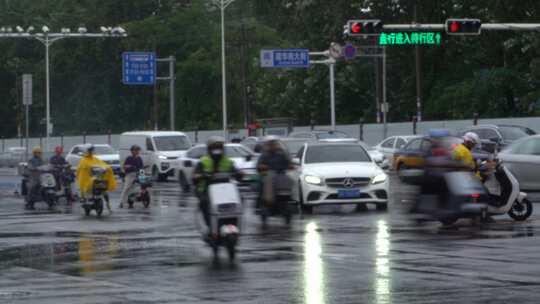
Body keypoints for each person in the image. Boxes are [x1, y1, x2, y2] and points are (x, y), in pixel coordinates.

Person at [192, 137, 241, 233]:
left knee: (239, 200)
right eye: (215, 147)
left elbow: (237, 172)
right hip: (207, 190)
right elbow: (195, 176)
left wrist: (240, 174)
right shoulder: (203, 161)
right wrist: (201, 175)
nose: (217, 150)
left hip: (225, 191)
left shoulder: (228, 161)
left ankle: (234, 224)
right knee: (204, 203)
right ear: (209, 149)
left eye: (219, 147)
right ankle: (210, 226)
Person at [76, 144, 116, 213]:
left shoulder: (95, 159)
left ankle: (108, 205)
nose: (91, 152)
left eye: (92, 150)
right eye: (90, 150)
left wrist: (107, 168)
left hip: (96, 180)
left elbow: (103, 164)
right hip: (87, 181)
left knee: (104, 191)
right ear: (86, 151)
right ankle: (85, 201)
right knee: (87, 193)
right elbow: (81, 170)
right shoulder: (83, 160)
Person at [256, 136, 293, 209]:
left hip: (281, 174)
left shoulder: (281, 154)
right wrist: (264, 167)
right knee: (269, 179)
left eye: (274, 143)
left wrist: (290, 166)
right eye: (271, 144)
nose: (273, 145)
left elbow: (288, 163)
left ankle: (290, 198)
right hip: (269, 174)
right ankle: (269, 200)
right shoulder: (264, 155)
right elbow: (259, 165)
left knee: (290, 179)